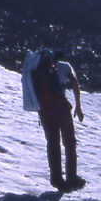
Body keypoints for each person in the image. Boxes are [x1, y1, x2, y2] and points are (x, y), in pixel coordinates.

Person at [31, 49, 85, 192]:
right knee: (69, 142)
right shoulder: (64, 67)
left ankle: (56, 179)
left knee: (52, 142)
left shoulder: (36, 68)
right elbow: (74, 82)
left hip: (44, 109)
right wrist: (78, 107)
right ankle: (71, 177)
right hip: (60, 107)